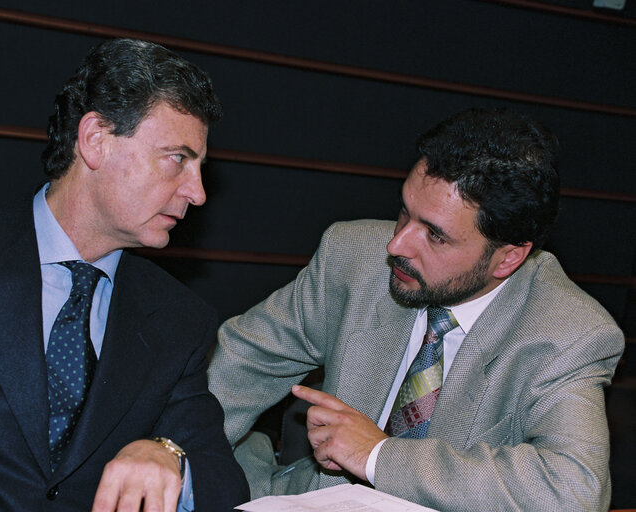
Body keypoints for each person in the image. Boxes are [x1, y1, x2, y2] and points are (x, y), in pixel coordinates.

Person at [0, 38, 248, 511]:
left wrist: (168, 456)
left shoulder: (178, 319)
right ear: (95, 140)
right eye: (178, 158)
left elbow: (225, 482)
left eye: (200, 168)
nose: (197, 193)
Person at [208, 108, 624, 511]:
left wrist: (378, 455)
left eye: (436, 236)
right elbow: (240, 365)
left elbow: (573, 491)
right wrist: (167, 451)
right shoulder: (352, 258)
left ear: (508, 258)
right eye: (405, 212)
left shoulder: (569, 333)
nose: (398, 245)